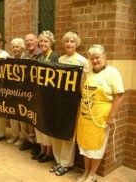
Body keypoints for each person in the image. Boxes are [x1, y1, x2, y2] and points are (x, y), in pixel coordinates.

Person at [76, 44, 124, 182]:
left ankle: (92, 175)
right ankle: (85, 172)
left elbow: (119, 95)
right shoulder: (89, 72)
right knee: (85, 147)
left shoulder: (112, 72)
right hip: (85, 117)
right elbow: (82, 92)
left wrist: (112, 116)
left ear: (104, 57)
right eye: (92, 58)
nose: (95, 61)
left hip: (101, 117)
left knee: (97, 148)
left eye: (97, 58)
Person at [50, 31, 89, 176]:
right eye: (67, 41)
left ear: (76, 44)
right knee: (57, 131)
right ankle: (58, 160)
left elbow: (85, 82)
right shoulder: (60, 59)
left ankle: (66, 163)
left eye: (72, 41)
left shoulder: (82, 61)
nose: (69, 44)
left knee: (68, 132)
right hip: (60, 100)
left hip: (73, 102)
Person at [32, 30, 60, 163]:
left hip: (49, 97)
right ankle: (42, 149)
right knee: (38, 125)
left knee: (46, 125)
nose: (43, 43)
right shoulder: (38, 57)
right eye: (41, 41)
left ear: (51, 43)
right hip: (38, 96)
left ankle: (49, 153)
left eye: (46, 41)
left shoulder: (55, 57)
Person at [19, 34, 42, 153]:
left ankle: (38, 144)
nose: (29, 42)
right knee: (26, 116)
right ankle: (30, 140)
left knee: (35, 117)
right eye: (27, 40)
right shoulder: (24, 55)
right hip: (26, 90)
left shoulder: (41, 54)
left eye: (31, 40)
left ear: (36, 41)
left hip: (37, 91)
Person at [6, 38, 28, 146]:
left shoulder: (26, 58)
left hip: (24, 92)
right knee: (13, 114)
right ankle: (15, 135)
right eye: (13, 47)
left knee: (22, 115)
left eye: (17, 47)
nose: (15, 49)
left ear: (22, 47)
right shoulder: (11, 59)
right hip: (13, 91)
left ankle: (23, 136)